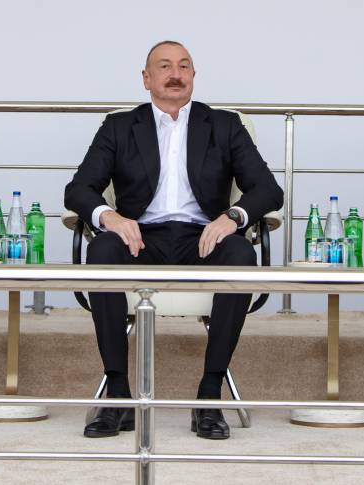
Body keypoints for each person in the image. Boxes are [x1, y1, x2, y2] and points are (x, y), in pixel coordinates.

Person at [63, 40, 282, 440]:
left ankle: (209, 395)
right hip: (140, 238)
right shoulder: (119, 126)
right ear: (146, 79)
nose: (175, 74)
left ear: (194, 76)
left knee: (240, 253)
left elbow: (268, 190)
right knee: (102, 249)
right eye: (164, 66)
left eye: (183, 66)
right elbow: (78, 189)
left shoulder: (224, 125)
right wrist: (109, 217)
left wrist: (232, 217)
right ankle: (118, 395)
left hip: (203, 238)